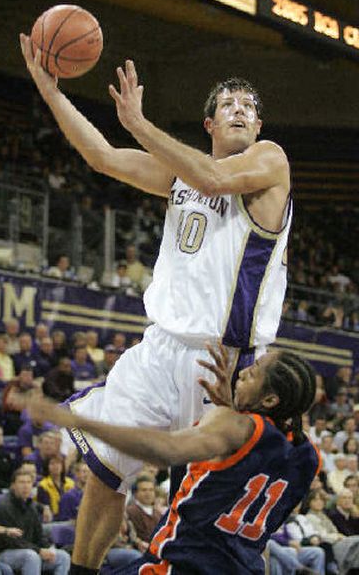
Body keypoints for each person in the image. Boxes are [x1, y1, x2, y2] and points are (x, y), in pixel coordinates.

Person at [21, 36, 291, 572]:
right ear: (209, 125)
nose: (240, 109)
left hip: (225, 363)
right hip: (160, 347)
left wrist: (139, 123)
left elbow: (211, 176)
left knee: (210, 513)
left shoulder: (269, 160)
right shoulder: (177, 178)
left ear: (258, 128)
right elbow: (99, 157)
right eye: (228, 104)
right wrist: (51, 91)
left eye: (249, 107)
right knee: (104, 471)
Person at [29, 346, 319, 575]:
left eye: (252, 373)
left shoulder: (236, 426)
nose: (241, 373)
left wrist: (77, 420)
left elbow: (164, 450)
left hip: (179, 566)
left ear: (269, 401)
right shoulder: (308, 458)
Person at [0, 469, 71, 574]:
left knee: (63, 557)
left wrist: (48, 549)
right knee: (31, 557)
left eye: (29, 482)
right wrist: (39, 551)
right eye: (21, 482)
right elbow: (13, 541)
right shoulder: (5, 507)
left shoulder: (32, 506)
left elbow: (39, 535)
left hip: (29, 550)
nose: (26, 486)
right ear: (13, 485)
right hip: (5, 552)